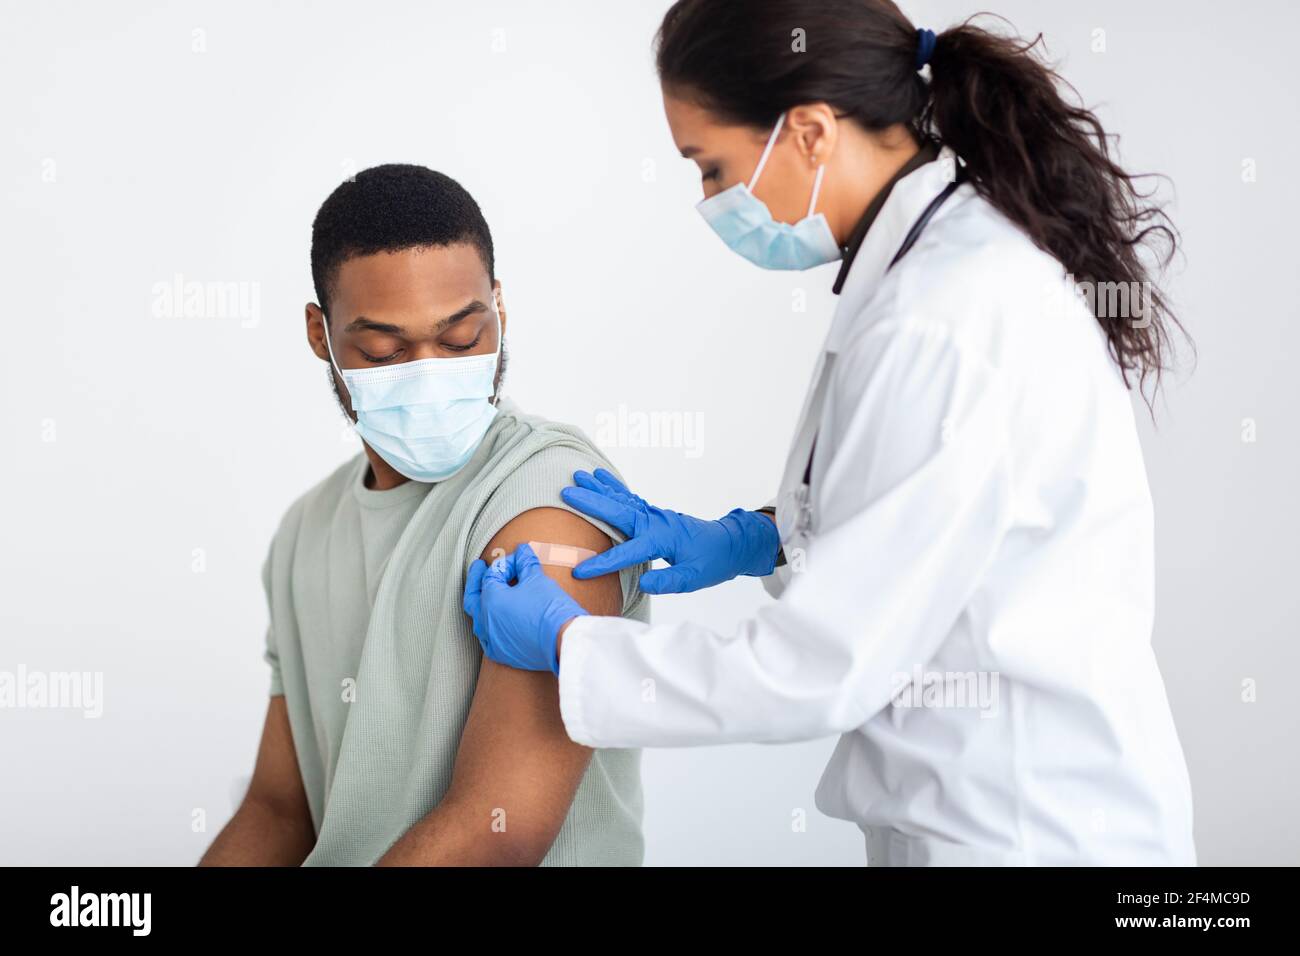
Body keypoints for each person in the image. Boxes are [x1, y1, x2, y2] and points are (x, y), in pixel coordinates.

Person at [465, 0, 1197, 866]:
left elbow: (820, 668)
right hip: (989, 813)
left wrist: (572, 645)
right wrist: (759, 539)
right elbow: (934, 521)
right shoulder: (931, 270)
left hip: (1026, 829)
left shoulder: (944, 313)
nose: (709, 201)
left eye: (710, 167)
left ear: (809, 131)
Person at [201, 164, 646, 867]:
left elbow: (496, 832)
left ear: (498, 306)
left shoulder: (554, 497)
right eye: (385, 350)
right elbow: (281, 810)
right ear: (320, 335)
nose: (431, 371)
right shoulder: (304, 532)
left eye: (463, 339)